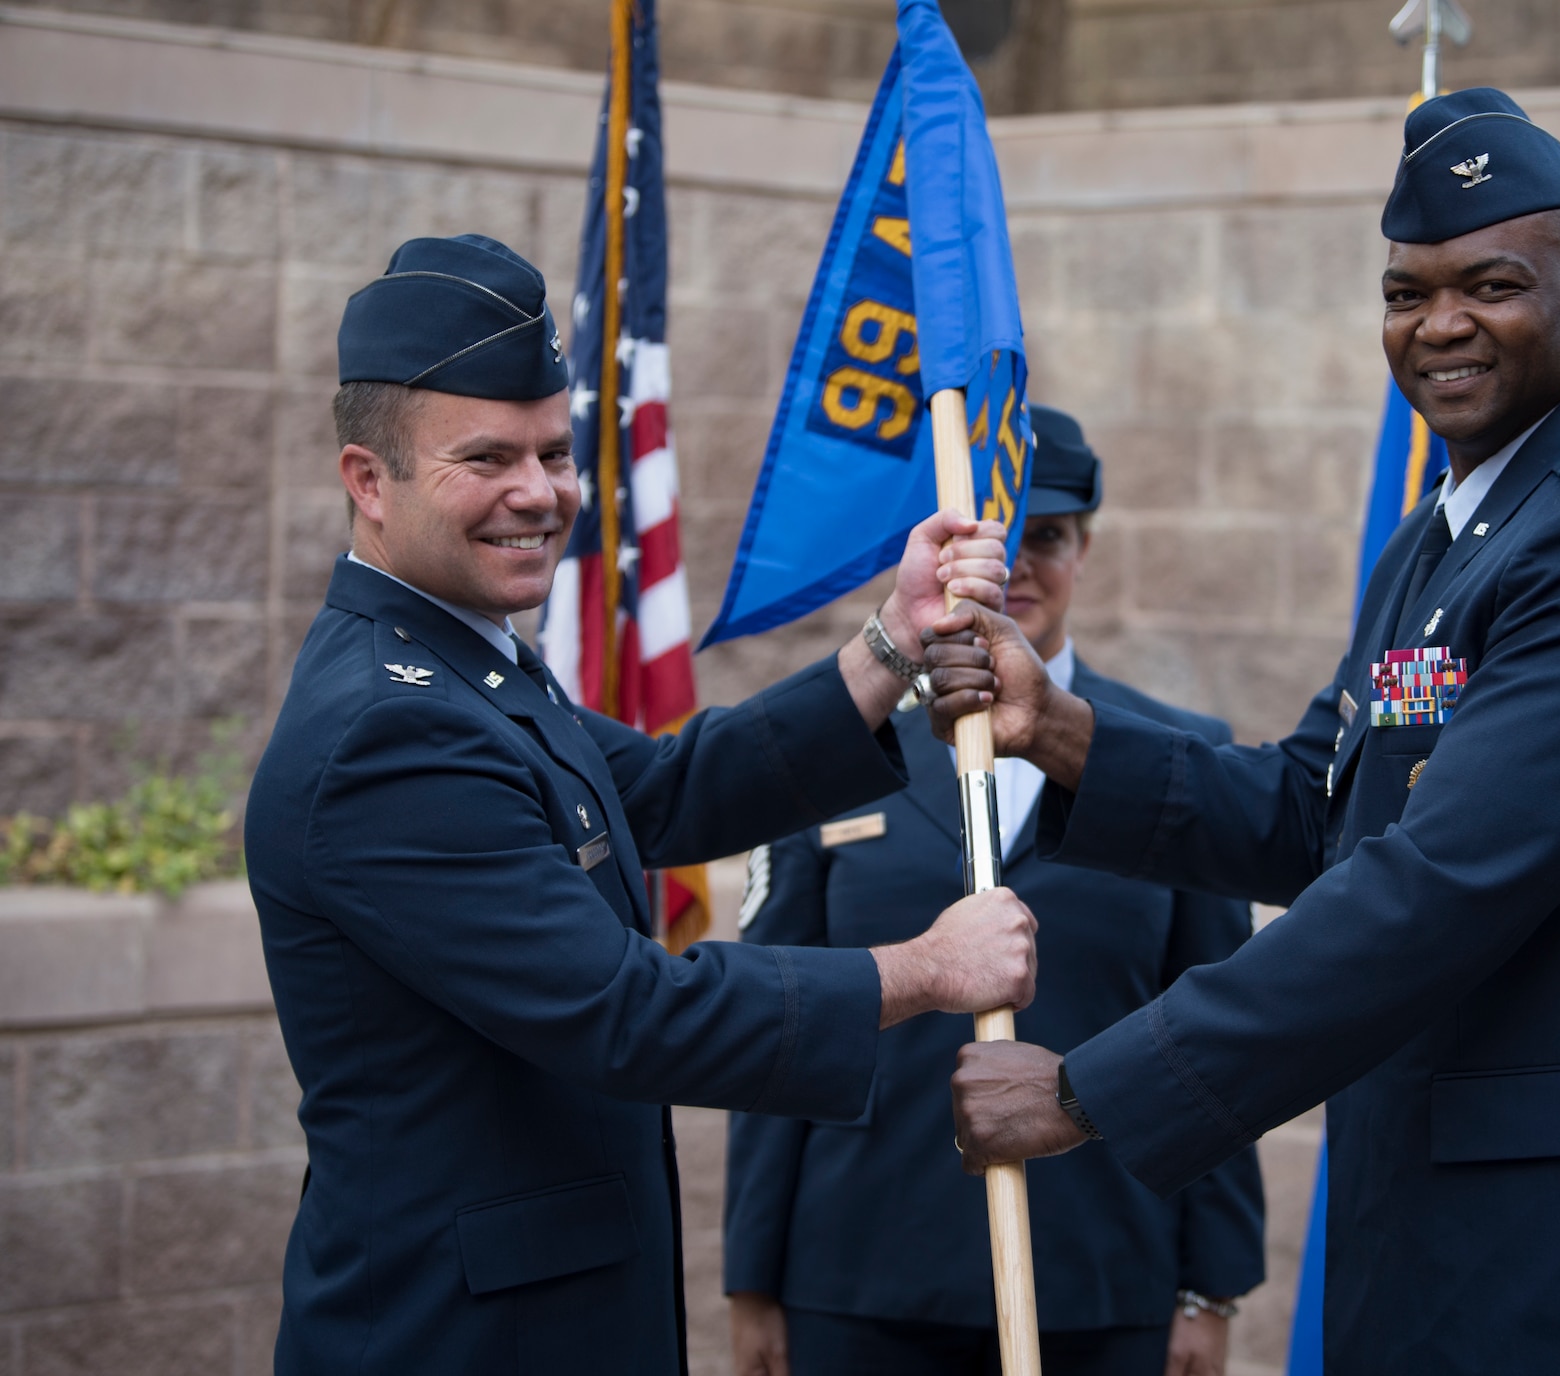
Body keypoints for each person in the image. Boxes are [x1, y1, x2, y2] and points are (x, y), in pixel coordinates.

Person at [924, 90, 1560, 1374]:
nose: (1438, 325)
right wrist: (1062, 730)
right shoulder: (1442, 535)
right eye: (1405, 293)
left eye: (1489, 284)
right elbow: (1320, 810)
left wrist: (1087, 1091)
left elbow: (1436, 882)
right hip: (1449, 1228)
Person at [245, 233, 1039, 1376]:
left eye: (553, 453)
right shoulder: (391, 728)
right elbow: (626, 1008)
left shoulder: (470, 665)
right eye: (486, 459)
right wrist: (923, 967)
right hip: (458, 1338)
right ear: (369, 481)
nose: (539, 494)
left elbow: (663, 791)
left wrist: (890, 642)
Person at [723, 408, 1265, 1376]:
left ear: (1084, 548)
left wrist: (1207, 1285)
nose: (1020, 567)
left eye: (1048, 537)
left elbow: (1215, 1028)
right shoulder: (828, 755)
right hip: (859, 1276)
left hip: (1100, 1274)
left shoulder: (1178, 760)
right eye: (995, 542)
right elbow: (782, 1031)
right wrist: (752, 1279)